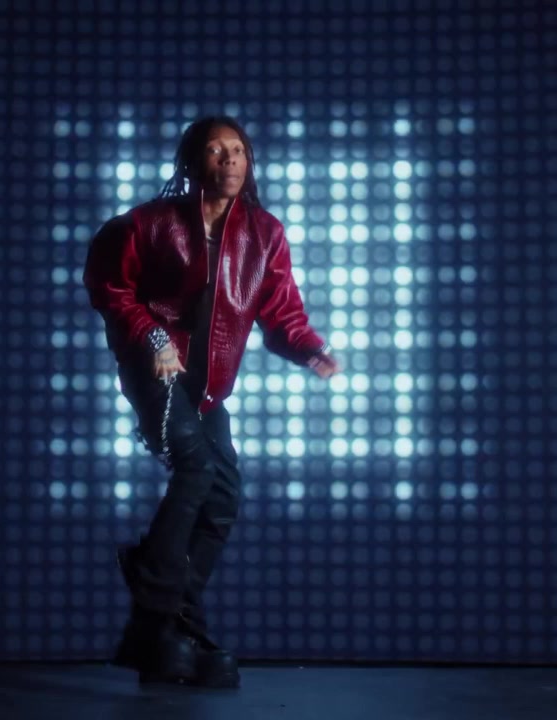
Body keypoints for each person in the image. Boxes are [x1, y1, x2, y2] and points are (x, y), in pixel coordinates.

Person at [82, 116, 341, 687]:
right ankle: (158, 598)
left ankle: (169, 625)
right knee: (196, 467)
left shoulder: (264, 233)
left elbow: (280, 311)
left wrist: (309, 349)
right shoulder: (148, 224)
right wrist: (152, 337)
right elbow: (110, 285)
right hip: (155, 371)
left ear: (249, 161)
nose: (229, 159)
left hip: (207, 387)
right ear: (193, 162)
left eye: (238, 150)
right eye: (216, 150)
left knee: (223, 497)